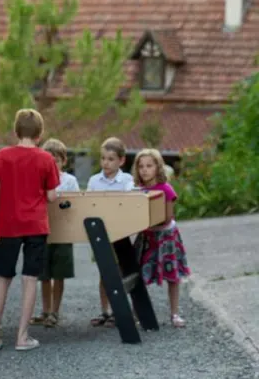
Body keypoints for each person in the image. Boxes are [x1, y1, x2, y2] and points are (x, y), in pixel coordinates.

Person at [0, 108, 60, 352]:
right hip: (36, 224)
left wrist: (4, 197)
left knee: (2, 277)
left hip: (9, 224)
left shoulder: (3, 155)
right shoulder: (46, 159)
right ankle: (22, 337)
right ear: (40, 134)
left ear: (16, 131)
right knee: (29, 279)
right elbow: (52, 196)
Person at [132, 148, 190, 327]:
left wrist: (146, 221)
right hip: (146, 238)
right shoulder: (138, 191)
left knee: (172, 276)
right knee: (139, 276)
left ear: (158, 167)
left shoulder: (165, 189)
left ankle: (174, 314)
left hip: (166, 237)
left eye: (149, 166)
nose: (144, 170)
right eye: (141, 166)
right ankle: (137, 314)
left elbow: (167, 217)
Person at [31, 138, 80, 328]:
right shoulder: (37, 179)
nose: (52, 165)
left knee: (59, 273)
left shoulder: (69, 181)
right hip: (43, 232)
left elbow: (76, 205)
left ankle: (55, 312)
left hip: (63, 232)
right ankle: (45, 310)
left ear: (63, 161)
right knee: (44, 275)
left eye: (56, 161)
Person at [87, 137, 135, 327]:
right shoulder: (94, 181)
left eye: (111, 159)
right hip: (100, 234)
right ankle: (105, 310)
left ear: (121, 161)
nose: (106, 163)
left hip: (120, 234)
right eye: (103, 158)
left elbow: (129, 203)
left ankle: (119, 310)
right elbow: (88, 204)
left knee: (120, 272)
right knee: (104, 272)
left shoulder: (127, 181)